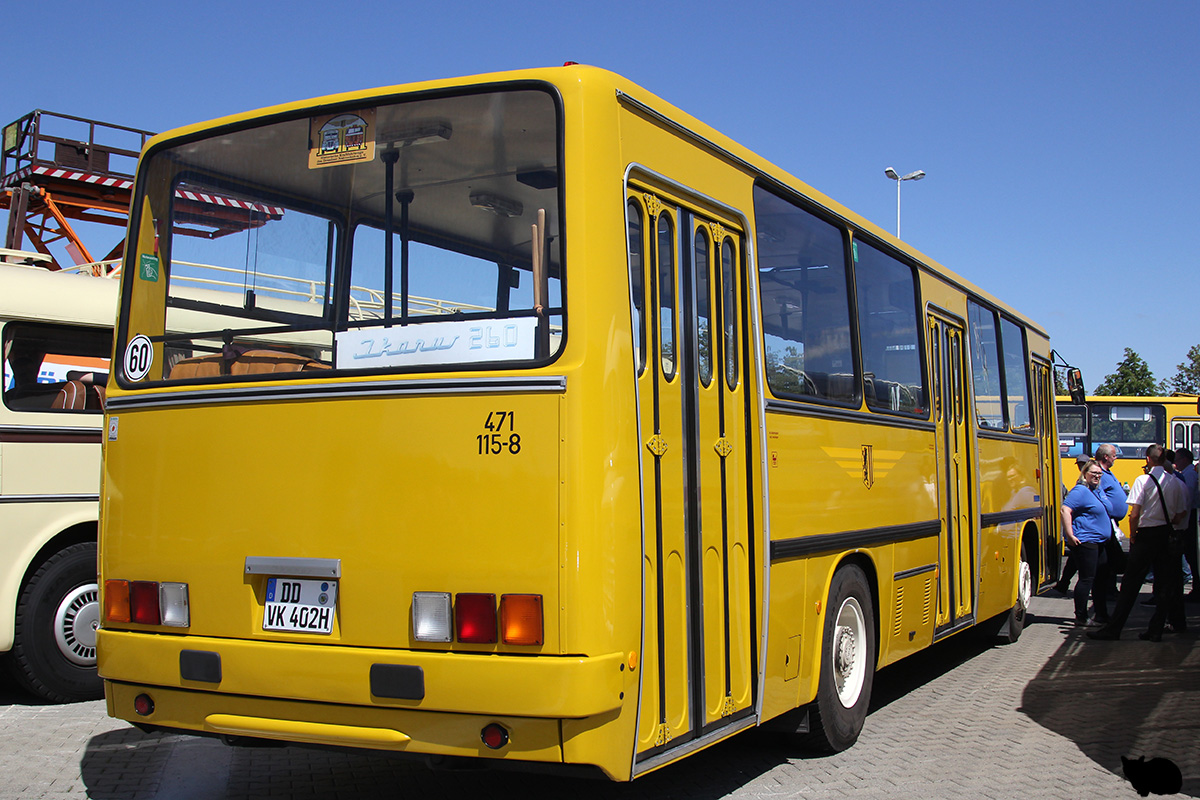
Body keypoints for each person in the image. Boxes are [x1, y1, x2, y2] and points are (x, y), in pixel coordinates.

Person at [1088, 444, 1188, 642]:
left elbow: (1134, 514)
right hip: (1166, 534)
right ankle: (1156, 629)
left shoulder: (1143, 480)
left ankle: (1114, 628)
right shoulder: (1175, 483)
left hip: (1146, 535)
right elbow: (1180, 514)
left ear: (1148, 460)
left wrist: (1133, 535)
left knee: (1131, 584)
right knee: (1163, 584)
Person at [1061, 459, 1113, 625]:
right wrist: (1069, 535)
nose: (1097, 476)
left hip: (1100, 542)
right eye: (1094, 473)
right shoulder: (1080, 491)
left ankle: (1102, 614)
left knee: (1101, 578)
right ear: (1084, 474)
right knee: (1087, 579)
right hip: (1086, 541)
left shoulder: (1095, 491)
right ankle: (1081, 616)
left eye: (1099, 474)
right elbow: (1065, 510)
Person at [1052, 453, 1092, 595]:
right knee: (1075, 558)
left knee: (1078, 560)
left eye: (1082, 464)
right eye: (1079, 464)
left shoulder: (1087, 482)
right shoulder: (1081, 482)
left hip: (1086, 528)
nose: (1080, 467)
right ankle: (1064, 583)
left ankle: (1064, 583)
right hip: (1080, 527)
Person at [1173, 449, 1199, 600]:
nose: (1176, 462)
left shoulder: (1189, 475)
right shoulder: (1189, 473)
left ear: (1185, 459)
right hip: (1189, 516)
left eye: (1178, 459)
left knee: (1192, 555)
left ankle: (1197, 589)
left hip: (1190, 518)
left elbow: (1186, 498)